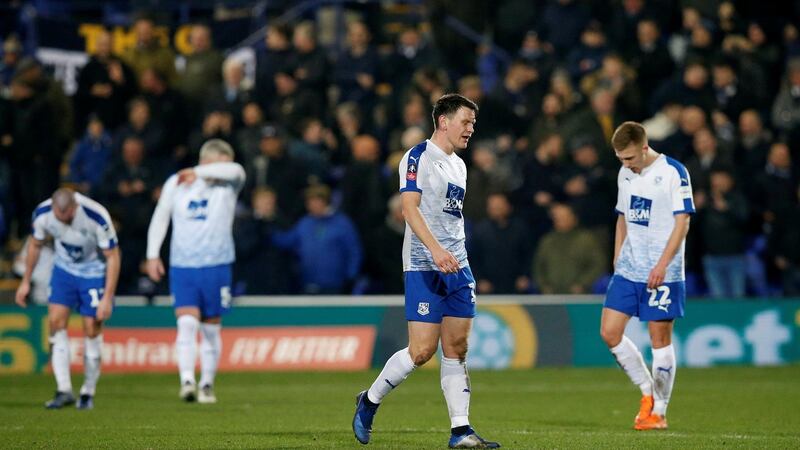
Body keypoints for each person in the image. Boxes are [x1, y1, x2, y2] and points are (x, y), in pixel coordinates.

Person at [352, 94, 500, 448]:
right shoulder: (417, 157)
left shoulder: (459, 165)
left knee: (457, 348)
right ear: (444, 121)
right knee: (421, 351)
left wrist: (454, 254)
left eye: (473, 124)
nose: (471, 129)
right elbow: (409, 208)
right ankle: (369, 401)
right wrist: (435, 251)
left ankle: (461, 431)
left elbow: (452, 217)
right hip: (423, 264)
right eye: (466, 121)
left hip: (457, 266)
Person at [600, 121, 694, 431]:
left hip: (662, 270)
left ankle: (660, 412)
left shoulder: (673, 172)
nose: (625, 165)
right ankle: (647, 392)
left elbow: (682, 223)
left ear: (644, 147)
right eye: (620, 159)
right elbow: (622, 217)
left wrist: (662, 265)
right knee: (609, 332)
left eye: (629, 158)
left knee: (659, 339)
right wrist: (617, 258)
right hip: (630, 268)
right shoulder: (625, 172)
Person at [145, 139, 245, 404]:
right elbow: (161, 215)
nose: (225, 168)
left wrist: (200, 172)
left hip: (217, 264)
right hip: (183, 265)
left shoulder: (229, 183)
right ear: (209, 160)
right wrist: (152, 253)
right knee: (186, 323)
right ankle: (187, 380)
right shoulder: (176, 184)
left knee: (211, 329)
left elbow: (236, 170)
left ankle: (207, 384)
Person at [14, 188, 120, 410]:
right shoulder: (42, 214)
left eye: (68, 215)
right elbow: (35, 244)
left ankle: (88, 392)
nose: (64, 219)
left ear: (75, 207)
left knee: (92, 328)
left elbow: (113, 256)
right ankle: (64, 389)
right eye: (59, 215)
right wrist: (25, 281)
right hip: (64, 271)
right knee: (55, 323)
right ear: (53, 209)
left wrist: (107, 297)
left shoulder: (96, 216)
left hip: (93, 273)